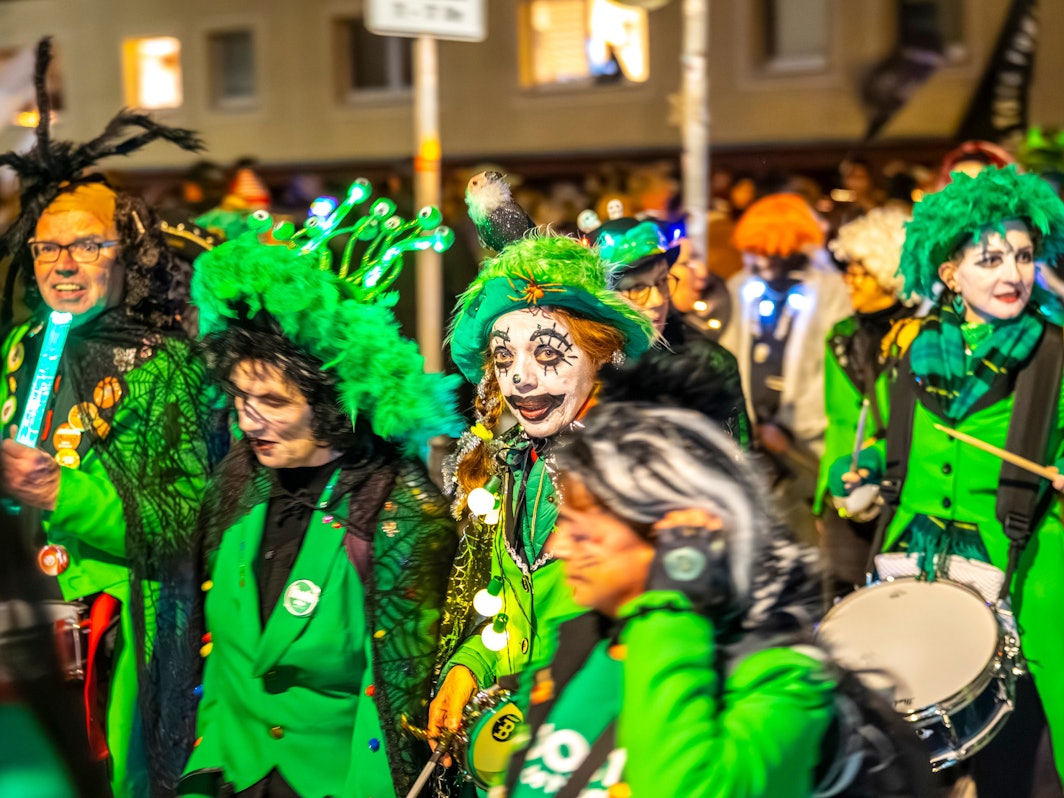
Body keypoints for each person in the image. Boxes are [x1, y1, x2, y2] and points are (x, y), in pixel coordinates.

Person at [178, 184, 463, 798]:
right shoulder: (237, 478)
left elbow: (396, 697)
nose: (249, 419)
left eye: (273, 401)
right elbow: (219, 655)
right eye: (240, 396)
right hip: (231, 774)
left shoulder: (400, 510)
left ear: (333, 404)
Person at [0, 39, 215, 798]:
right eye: (47, 247)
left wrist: (62, 492)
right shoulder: (20, 348)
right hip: (21, 626)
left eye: (87, 245)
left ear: (127, 254)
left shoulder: (169, 367)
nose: (63, 264)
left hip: (118, 638)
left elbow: (187, 522)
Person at [830, 165, 1064, 797]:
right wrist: (863, 467)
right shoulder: (912, 350)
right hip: (914, 566)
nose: (1012, 274)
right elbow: (892, 444)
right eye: (990, 260)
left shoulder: (1055, 355)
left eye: (1023, 256)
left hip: (1021, 571)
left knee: (1023, 767)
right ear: (949, 272)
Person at [498, 398, 835, 797]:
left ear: (671, 533)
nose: (561, 545)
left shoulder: (778, 678)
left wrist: (671, 598)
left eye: (582, 530)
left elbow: (682, 788)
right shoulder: (579, 644)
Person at [428, 234, 655, 767]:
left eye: (548, 353)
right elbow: (508, 612)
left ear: (603, 352)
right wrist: (468, 668)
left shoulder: (644, 473)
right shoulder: (511, 468)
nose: (521, 379)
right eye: (504, 358)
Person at [720, 193, 851, 544]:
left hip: (807, 447)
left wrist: (788, 430)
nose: (762, 261)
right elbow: (727, 357)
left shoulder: (830, 291)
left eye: (771, 251)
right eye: (756, 251)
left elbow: (833, 371)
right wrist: (746, 422)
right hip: (752, 444)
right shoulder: (741, 286)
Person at [815, 206, 922, 597]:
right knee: (839, 602)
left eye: (860, 272)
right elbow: (837, 420)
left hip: (902, 493)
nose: (849, 280)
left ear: (888, 274)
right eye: (849, 270)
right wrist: (823, 500)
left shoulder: (922, 337)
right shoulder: (840, 336)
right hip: (844, 495)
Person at [592, 215, 749, 446]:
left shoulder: (708, 363)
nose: (657, 300)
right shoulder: (577, 367)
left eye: (662, 281)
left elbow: (738, 456)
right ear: (603, 299)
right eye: (637, 287)